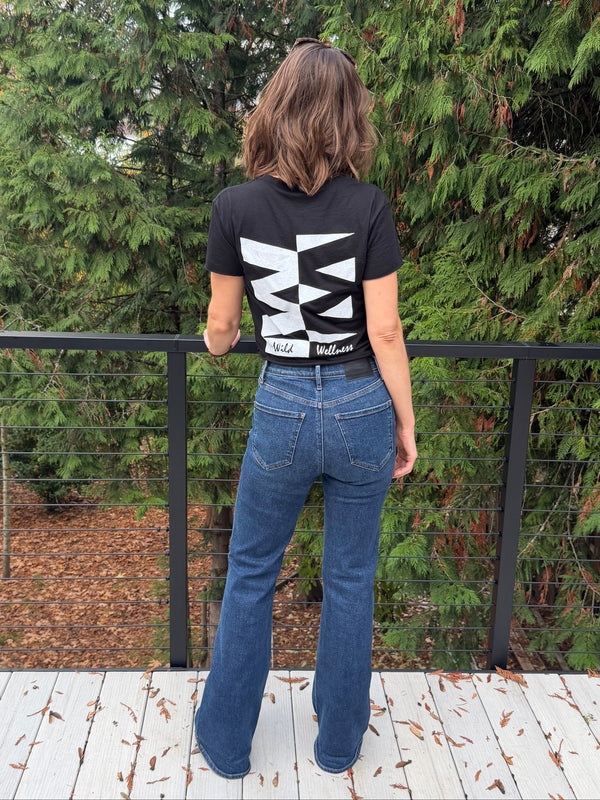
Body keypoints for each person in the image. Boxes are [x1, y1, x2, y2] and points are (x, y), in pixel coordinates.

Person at [195, 38, 417, 779]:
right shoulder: (369, 205)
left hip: (283, 403)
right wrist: (405, 423)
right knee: (351, 578)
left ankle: (226, 746)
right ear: (347, 118)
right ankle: (338, 744)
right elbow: (384, 330)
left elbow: (223, 333)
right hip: (361, 403)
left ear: (276, 109)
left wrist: (216, 334)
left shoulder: (234, 206)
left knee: (252, 573)